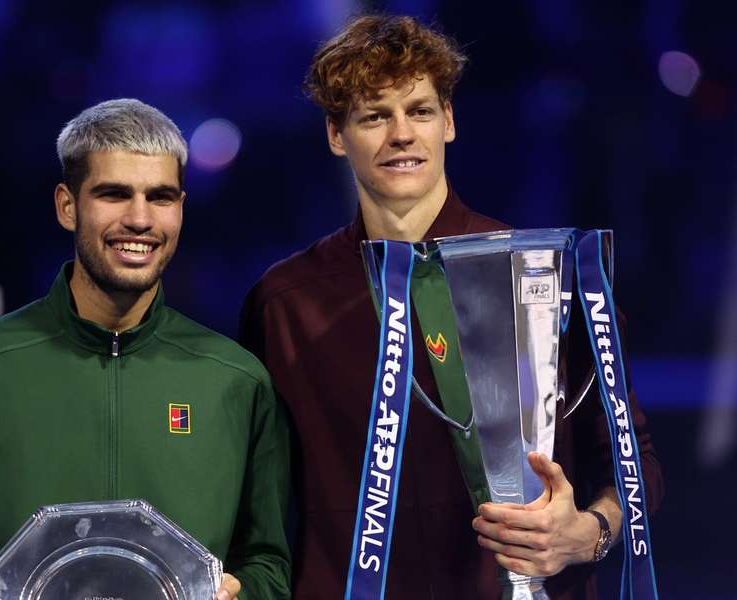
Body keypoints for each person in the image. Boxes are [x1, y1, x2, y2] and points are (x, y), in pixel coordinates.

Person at [239, 15, 662, 599]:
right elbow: (259, 499)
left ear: (450, 122)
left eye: (419, 111)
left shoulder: (542, 273)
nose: (401, 134)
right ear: (337, 136)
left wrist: (585, 534)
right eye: (373, 116)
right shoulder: (286, 302)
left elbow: (632, 461)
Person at [0, 99, 291, 600]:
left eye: (161, 197)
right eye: (114, 194)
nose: (140, 218)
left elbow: (269, 562)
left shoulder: (236, 381)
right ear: (68, 205)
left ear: (181, 208)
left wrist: (244, 594)